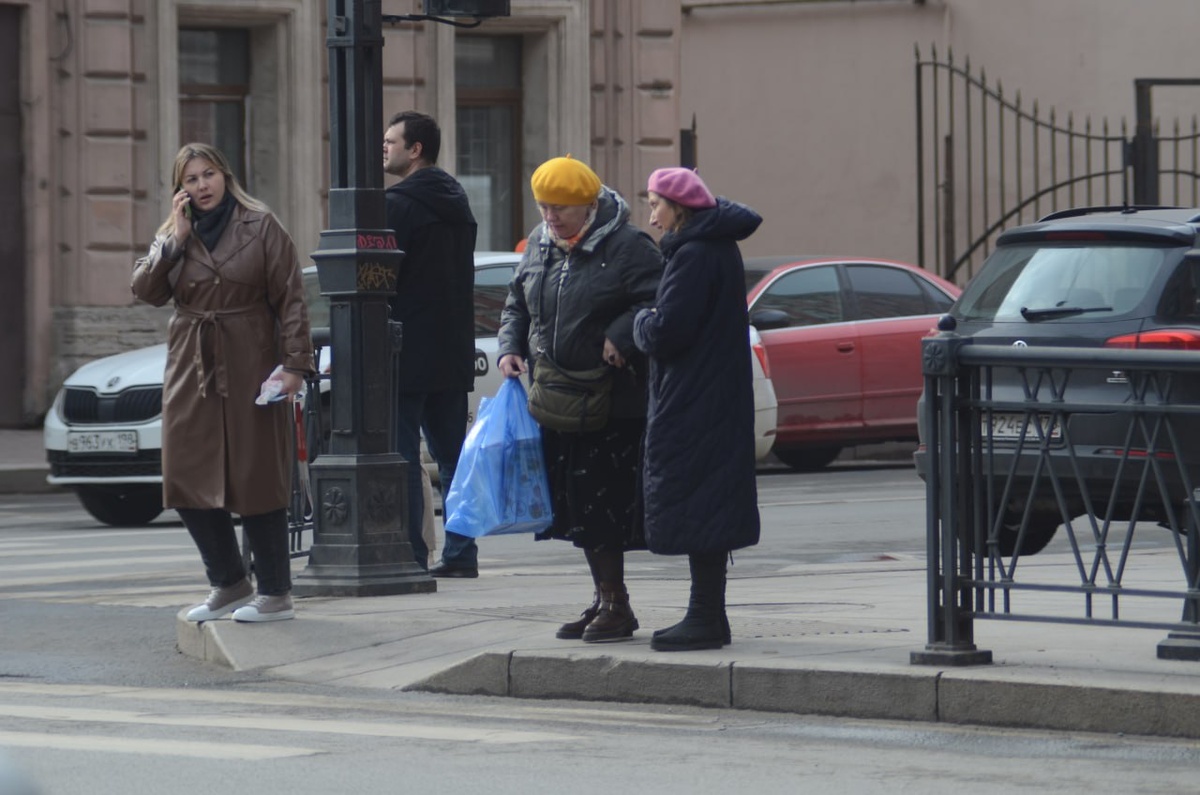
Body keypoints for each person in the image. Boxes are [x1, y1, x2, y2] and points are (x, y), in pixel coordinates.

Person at [131, 143, 313, 623]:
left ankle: (276, 593)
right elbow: (145, 291)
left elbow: (291, 299)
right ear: (179, 191)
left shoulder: (261, 225)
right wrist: (175, 239)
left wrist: (295, 365)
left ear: (225, 176)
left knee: (256, 477)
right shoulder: (174, 235)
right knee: (186, 478)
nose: (202, 185)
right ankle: (229, 583)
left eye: (208, 174)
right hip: (192, 365)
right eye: (190, 179)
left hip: (251, 359)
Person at [497, 155, 663, 642]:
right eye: (545, 207)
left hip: (612, 402)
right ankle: (605, 598)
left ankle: (616, 603)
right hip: (556, 395)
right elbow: (516, 301)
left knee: (601, 504)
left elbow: (657, 300)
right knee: (575, 507)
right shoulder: (542, 246)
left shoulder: (629, 246)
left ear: (589, 206)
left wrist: (620, 333)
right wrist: (509, 346)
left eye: (561, 209)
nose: (551, 217)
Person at [633, 168, 762, 651]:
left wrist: (641, 321)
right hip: (713, 394)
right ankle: (706, 613)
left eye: (656, 205)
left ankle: (706, 616)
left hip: (693, 398)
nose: (652, 218)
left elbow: (667, 331)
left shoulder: (694, 254)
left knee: (700, 500)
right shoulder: (717, 247)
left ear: (679, 207)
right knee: (707, 500)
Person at [383, 111, 479, 576]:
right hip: (452, 346)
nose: (385, 148)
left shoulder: (397, 204)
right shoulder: (457, 201)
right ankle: (461, 553)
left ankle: (411, 554)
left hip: (407, 348)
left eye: (391, 141)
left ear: (414, 149)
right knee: (453, 457)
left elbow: (381, 279)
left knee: (402, 457)